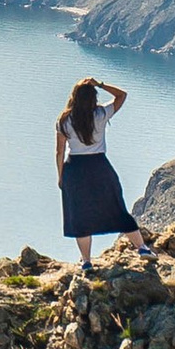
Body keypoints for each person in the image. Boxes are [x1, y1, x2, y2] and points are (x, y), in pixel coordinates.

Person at [55, 75, 141, 268]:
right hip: (99, 166)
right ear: (93, 97)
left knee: (79, 215)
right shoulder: (101, 114)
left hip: (74, 169)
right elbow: (121, 95)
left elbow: (60, 151)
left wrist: (61, 176)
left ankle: (86, 261)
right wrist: (100, 84)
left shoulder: (64, 120)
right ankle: (142, 247)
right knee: (116, 206)